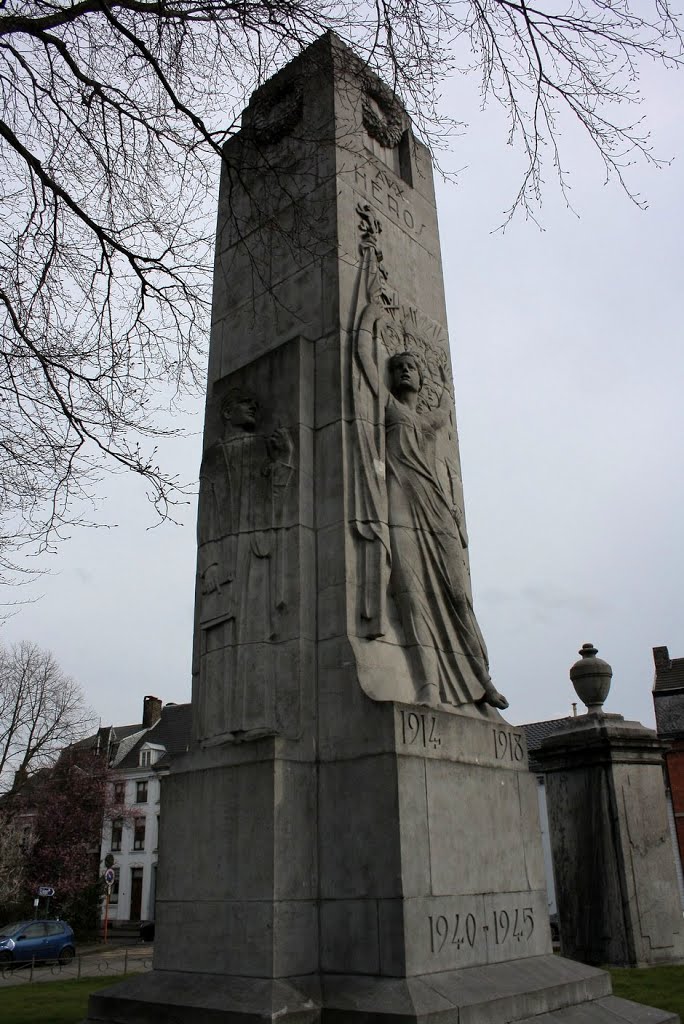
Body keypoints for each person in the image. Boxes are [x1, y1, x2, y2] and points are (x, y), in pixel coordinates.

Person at [371, 349, 507, 709]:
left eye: (410, 367)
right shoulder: (388, 406)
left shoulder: (431, 419)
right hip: (400, 506)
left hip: (437, 510)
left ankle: (484, 682)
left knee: (458, 599)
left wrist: (444, 377)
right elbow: (361, 359)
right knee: (412, 598)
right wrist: (368, 309)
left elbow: (445, 407)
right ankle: (428, 685)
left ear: (420, 378)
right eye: (397, 367)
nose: (403, 372)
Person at [195, 388, 294, 740]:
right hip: (224, 558)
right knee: (222, 640)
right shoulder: (215, 456)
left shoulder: (260, 448)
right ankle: (218, 728)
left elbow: (275, 497)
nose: (253, 405)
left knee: (257, 634)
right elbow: (207, 512)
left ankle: (255, 719)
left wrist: (284, 459)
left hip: (256, 552)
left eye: (254, 401)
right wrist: (210, 564)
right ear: (226, 412)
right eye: (243, 402)